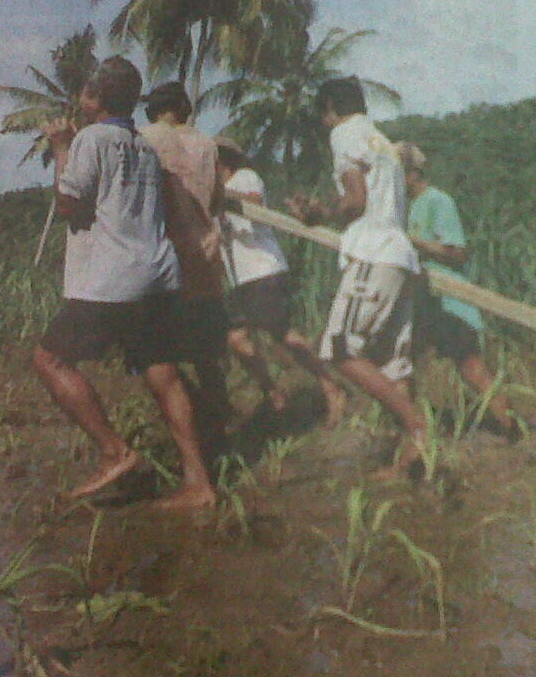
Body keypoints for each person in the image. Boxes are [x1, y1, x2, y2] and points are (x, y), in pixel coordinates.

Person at [31, 57, 214, 510]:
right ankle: (199, 484)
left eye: (87, 92)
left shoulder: (91, 139)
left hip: (110, 281)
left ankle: (115, 451)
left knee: (49, 359)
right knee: (164, 374)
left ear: (94, 98)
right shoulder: (144, 146)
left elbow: (70, 205)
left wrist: (60, 149)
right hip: (155, 274)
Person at [287, 77, 428, 480]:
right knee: (395, 364)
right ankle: (407, 463)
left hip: (372, 252)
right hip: (399, 257)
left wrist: (319, 213)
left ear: (330, 108)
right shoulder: (381, 141)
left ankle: (417, 427)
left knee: (341, 350)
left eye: (322, 114)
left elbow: (354, 200)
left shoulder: (345, 134)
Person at [215, 136, 347, 422]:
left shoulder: (245, 177)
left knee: (283, 335)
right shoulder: (215, 192)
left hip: (264, 269)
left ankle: (330, 386)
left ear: (222, 159)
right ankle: (274, 394)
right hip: (241, 278)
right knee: (237, 338)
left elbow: (254, 201)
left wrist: (217, 194)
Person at [397, 142, 520, 441]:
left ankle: (512, 429)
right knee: (404, 363)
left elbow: (457, 252)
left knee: (471, 367)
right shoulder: (410, 206)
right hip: (425, 299)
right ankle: (410, 430)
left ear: (412, 172)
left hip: (449, 299)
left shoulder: (438, 201)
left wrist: (413, 242)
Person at [139, 82, 232, 436]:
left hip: (163, 253)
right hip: (204, 251)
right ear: (184, 108)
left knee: (158, 354)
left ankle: (190, 425)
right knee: (206, 353)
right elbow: (218, 199)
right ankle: (218, 416)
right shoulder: (206, 144)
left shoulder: (145, 138)